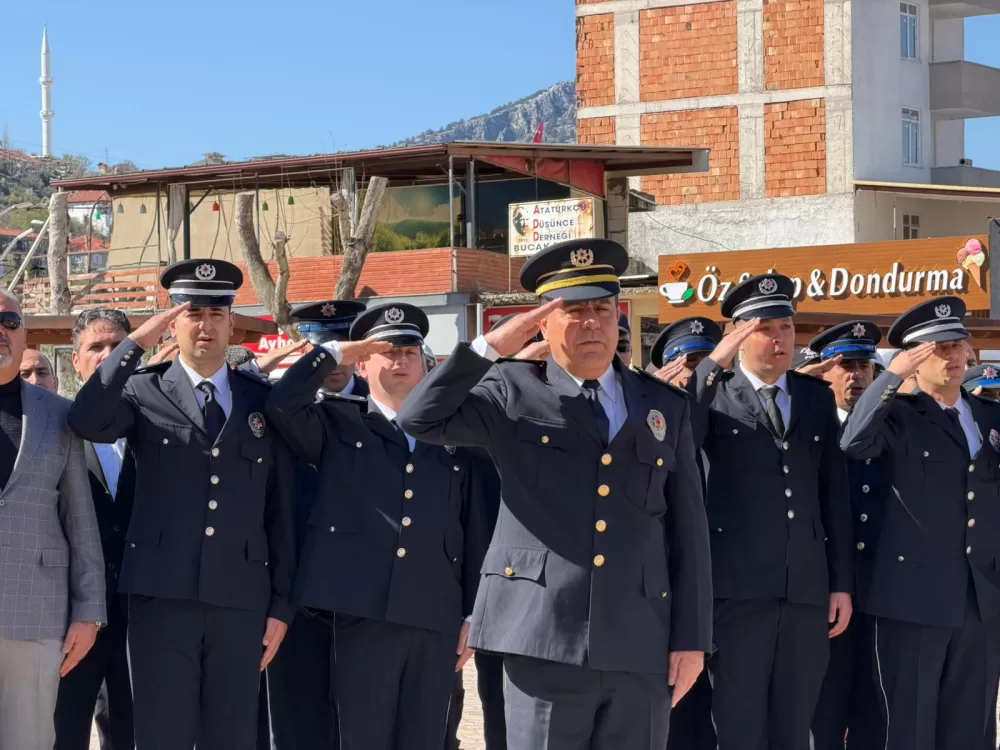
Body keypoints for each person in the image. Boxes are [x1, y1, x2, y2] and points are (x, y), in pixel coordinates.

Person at [397, 238, 713, 750]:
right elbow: (419, 417)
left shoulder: (662, 405)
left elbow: (688, 532)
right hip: (542, 634)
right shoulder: (511, 389)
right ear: (543, 323)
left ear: (618, 315)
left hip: (639, 639)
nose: (591, 323)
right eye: (574, 311)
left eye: (602, 309)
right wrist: (489, 348)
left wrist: (692, 639)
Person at [67, 260, 296, 750]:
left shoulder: (262, 400)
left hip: (241, 599)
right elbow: (86, 419)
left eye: (216, 313)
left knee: (232, 736)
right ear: (173, 323)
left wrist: (281, 605)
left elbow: (280, 511)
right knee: (161, 735)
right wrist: (134, 344)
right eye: (192, 313)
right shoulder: (142, 389)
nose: (205, 325)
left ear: (231, 323)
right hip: (161, 598)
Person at [265, 301, 490, 750]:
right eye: (387, 352)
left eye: (409, 351)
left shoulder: (455, 435)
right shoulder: (339, 422)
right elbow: (281, 404)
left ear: (426, 364)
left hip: (435, 613)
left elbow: (474, 527)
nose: (400, 360)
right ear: (364, 364)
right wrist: (333, 352)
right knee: (361, 736)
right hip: (362, 612)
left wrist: (474, 612)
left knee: (426, 738)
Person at [684, 273, 852, 750]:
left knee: (796, 725)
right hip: (738, 593)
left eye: (786, 327)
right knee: (739, 724)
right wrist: (710, 367)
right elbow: (679, 438)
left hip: (805, 591)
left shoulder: (815, 396)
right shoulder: (714, 393)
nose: (780, 339)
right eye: (765, 329)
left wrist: (840, 582)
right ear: (738, 335)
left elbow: (833, 495)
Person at [841, 297, 1000, 750]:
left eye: (957, 344)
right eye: (938, 348)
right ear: (914, 357)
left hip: (980, 602)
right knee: (907, 731)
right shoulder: (899, 416)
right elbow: (854, 441)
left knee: (971, 731)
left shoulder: (989, 418)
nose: (952, 356)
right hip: (912, 602)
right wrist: (891, 377)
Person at [0, 289, 105, 750]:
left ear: (24, 334)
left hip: (36, 613)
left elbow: (80, 519)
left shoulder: (60, 415)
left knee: (30, 740)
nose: (0, 331)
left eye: (9, 321)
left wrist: (89, 612)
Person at [263, 299, 366, 750]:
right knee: (295, 724)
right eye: (325, 350)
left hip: (365, 597)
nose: (336, 361)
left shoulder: (382, 402)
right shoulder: (277, 406)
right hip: (296, 593)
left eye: (345, 346)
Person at [51, 310, 137, 750]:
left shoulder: (156, 425)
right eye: (96, 347)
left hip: (142, 617)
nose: (108, 356)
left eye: (119, 347)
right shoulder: (55, 429)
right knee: (64, 733)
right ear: (75, 359)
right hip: (72, 617)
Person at [804, 321, 889, 750]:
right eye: (846, 366)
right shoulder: (808, 425)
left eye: (864, 366)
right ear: (826, 372)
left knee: (875, 708)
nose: (857, 375)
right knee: (824, 708)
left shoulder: (891, 425)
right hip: (823, 593)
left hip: (880, 591)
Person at [648, 317, 722, 750]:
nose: (701, 374)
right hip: (667, 591)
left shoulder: (733, 415)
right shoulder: (654, 418)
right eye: (692, 363)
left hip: (724, 594)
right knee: (674, 720)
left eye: (710, 362)